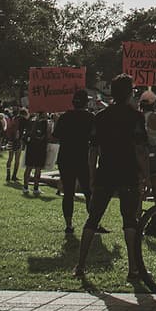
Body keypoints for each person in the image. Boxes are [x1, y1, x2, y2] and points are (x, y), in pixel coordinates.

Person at [73, 74, 150, 284]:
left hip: (105, 172)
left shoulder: (101, 117)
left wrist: (91, 175)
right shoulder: (135, 117)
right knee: (129, 222)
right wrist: (146, 175)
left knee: (93, 219)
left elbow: (93, 151)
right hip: (128, 173)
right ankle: (133, 268)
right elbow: (140, 149)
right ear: (129, 93)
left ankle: (80, 266)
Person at [52, 90, 105, 236]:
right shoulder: (90, 117)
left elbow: (55, 136)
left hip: (65, 157)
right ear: (85, 103)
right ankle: (93, 223)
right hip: (82, 158)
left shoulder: (64, 117)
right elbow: (95, 139)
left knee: (68, 192)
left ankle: (68, 224)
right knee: (88, 192)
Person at [23, 112, 49, 195]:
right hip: (40, 147)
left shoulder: (31, 121)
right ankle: (35, 188)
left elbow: (26, 134)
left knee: (29, 167)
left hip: (31, 146)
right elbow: (46, 136)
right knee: (38, 168)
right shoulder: (45, 123)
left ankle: (25, 187)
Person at [5, 108, 27, 184]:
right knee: (17, 159)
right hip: (18, 141)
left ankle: (8, 175)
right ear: (24, 114)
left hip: (11, 140)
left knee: (10, 158)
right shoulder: (23, 120)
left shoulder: (14, 118)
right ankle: (14, 176)